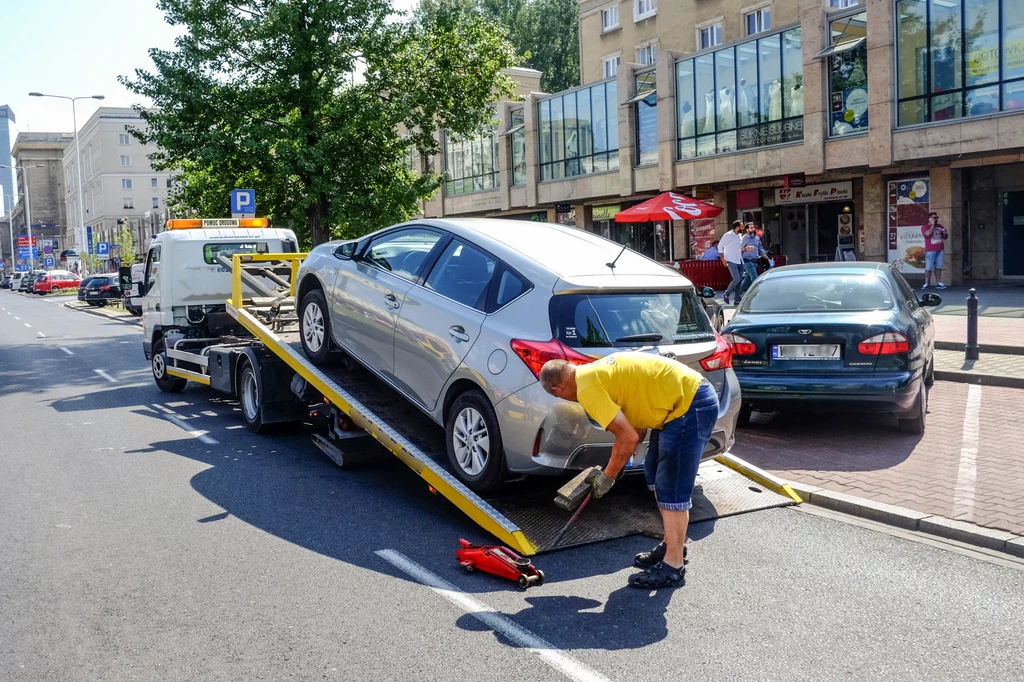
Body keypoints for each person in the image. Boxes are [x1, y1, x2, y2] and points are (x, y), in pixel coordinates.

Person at [540, 353, 719, 589]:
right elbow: (636, 430)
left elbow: (627, 437)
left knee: (671, 487)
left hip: (690, 406)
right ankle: (671, 545)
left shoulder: (588, 389)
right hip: (682, 404)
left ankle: (673, 566)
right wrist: (618, 463)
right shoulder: (595, 373)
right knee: (655, 474)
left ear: (558, 389)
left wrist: (608, 477)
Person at [718, 220, 744, 305]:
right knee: (736, 279)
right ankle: (726, 293)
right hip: (731, 260)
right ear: (737, 227)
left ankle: (737, 299)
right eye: (741, 226)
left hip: (739, 260)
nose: (743, 228)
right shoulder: (728, 235)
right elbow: (720, 246)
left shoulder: (739, 235)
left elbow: (738, 248)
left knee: (739, 281)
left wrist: (745, 249)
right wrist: (722, 259)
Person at [921, 212, 947, 289]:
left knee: (938, 266)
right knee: (929, 267)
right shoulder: (925, 227)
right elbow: (927, 234)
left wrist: (945, 233)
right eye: (934, 218)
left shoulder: (940, 226)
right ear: (930, 219)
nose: (936, 219)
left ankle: (938, 282)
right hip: (930, 249)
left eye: (937, 217)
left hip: (940, 248)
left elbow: (945, 237)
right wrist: (932, 225)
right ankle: (926, 283)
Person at [739, 222, 766, 295]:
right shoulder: (744, 238)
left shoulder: (757, 238)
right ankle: (758, 294)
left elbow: (760, 250)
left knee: (746, 280)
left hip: (755, 261)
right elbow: (738, 249)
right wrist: (745, 248)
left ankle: (737, 295)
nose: (753, 229)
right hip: (747, 261)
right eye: (751, 228)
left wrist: (768, 259)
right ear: (747, 229)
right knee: (754, 277)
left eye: (753, 227)